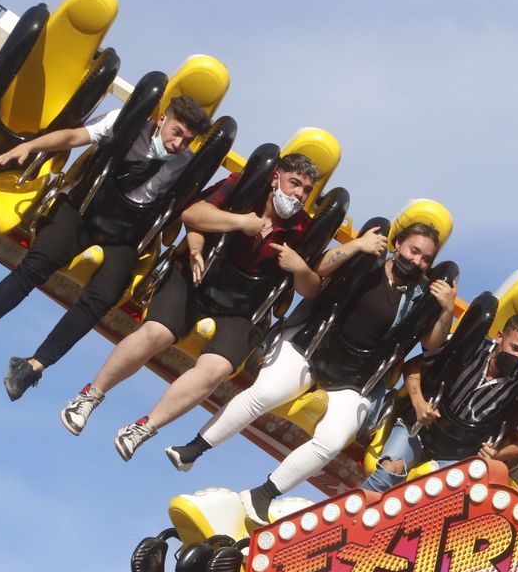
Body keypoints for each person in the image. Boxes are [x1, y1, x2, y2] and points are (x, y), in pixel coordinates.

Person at [164, 222, 458, 524]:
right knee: (265, 393)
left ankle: (262, 494)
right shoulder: (367, 259)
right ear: (397, 245)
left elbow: (431, 345)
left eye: (426, 259)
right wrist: (357, 246)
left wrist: (446, 310)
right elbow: (318, 270)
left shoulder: (421, 296)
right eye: (414, 251)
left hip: (355, 378)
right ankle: (194, 449)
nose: (418, 262)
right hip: (313, 348)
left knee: (333, 440)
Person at [0, 95, 214, 398]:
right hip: (85, 208)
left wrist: (195, 248)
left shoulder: (185, 164)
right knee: (34, 266)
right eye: (177, 132)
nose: (178, 144)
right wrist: (31, 145)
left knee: (102, 298)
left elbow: (190, 213)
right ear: (162, 120)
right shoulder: (126, 122)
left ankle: (34, 366)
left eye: (187, 140)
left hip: (125, 229)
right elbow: (75, 136)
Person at [58, 153, 325, 459]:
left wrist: (300, 268)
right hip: (197, 277)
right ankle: (90, 396)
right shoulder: (243, 187)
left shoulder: (304, 228)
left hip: (242, 304)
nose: (299, 195)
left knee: (217, 370)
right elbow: (193, 214)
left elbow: (311, 289)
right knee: (157, 333)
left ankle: (144, 427)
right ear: (275, 178)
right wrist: (239, 223)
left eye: (306, 190)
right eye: (295, 184)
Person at [362, 314, 518, 491]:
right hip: (417, 429)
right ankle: (345, 518)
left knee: (435, 491)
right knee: (390, 469)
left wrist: (497, 455)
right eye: (515, 348)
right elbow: (412, 366)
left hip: (456, 454)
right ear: (499, 337)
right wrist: (419, 403)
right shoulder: (469, 345)